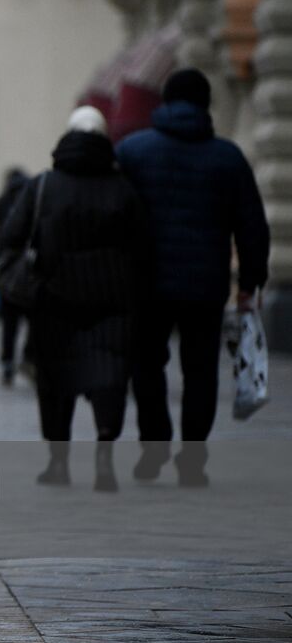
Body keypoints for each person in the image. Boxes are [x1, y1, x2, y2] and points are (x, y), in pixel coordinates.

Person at [115, 69, 269, 486]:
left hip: (147, 285)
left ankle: (155, 445)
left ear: (165, 101)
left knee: (146, 366)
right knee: (201, 371)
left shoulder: (133, 151)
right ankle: (193, 461)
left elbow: (116, 217)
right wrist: (250, 282)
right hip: (206, 284)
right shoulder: (228, 157)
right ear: (205, 104)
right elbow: (252, 224)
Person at [0, 106, 147, 490]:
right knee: (108, 377)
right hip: (113, 304)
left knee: (55, 381)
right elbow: (143, 249)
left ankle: (59, 463)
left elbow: (10, 237)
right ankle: (104, 461)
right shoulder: (123, 188)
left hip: (54, 301)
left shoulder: (45, 185)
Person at [0, 166, 29, 385]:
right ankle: (30, 358)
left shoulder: (0, 203)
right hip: (28, 272)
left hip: (6, 272)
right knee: (33, 320)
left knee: (9, 322)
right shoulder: (30, 201)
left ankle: (7, 362)